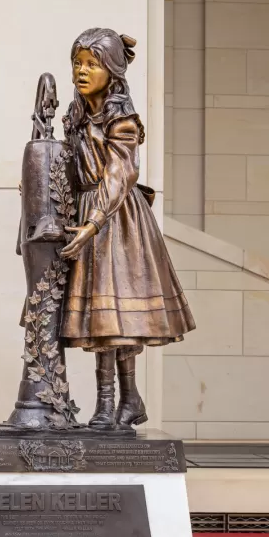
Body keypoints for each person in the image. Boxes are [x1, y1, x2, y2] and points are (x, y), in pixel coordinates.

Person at [60, 27, 195, 428]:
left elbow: (121, 174)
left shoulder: (122, 119)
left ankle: (111, 404)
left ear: (113, 70)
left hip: (116, 219)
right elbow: (69, 165)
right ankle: (124, 401)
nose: (81, 71)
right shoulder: (77, 115)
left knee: (114, 315)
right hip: (88, 214)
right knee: (104, 317)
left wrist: (93, 223)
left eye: (92, 64)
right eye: (77, 63)